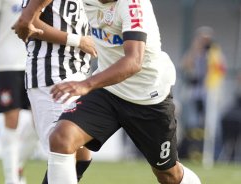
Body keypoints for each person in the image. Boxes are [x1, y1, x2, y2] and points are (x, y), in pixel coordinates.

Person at [13, 0, 201, 183]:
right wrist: (27, 17)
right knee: (61, 138)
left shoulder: (134, 5)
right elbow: (29, 16)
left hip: (147, 99)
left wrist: (86, 84)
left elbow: (133, 61)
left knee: (169, 175)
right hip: (108, 91)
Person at [12, 0, 97, 183]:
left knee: (82, 156)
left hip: (78, 75)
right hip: (52, 74)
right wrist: (78, 41)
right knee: (64, 150)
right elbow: (28, 22)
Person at [0, 0, 39, 183]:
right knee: (11, 120)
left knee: (40, 123)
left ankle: (17, 164)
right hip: (7, 61)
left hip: (37, 61)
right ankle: (11, 179)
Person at [179, 26, 226, 159]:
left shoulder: (215, 53)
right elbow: (185, 65)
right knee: (192, 123)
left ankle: (214, 154)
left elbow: (220, 70)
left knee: (212, 125)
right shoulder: (194, 52)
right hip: (194, 91)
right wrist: (195, 48)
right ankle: (192, 152)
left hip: (209, 92)